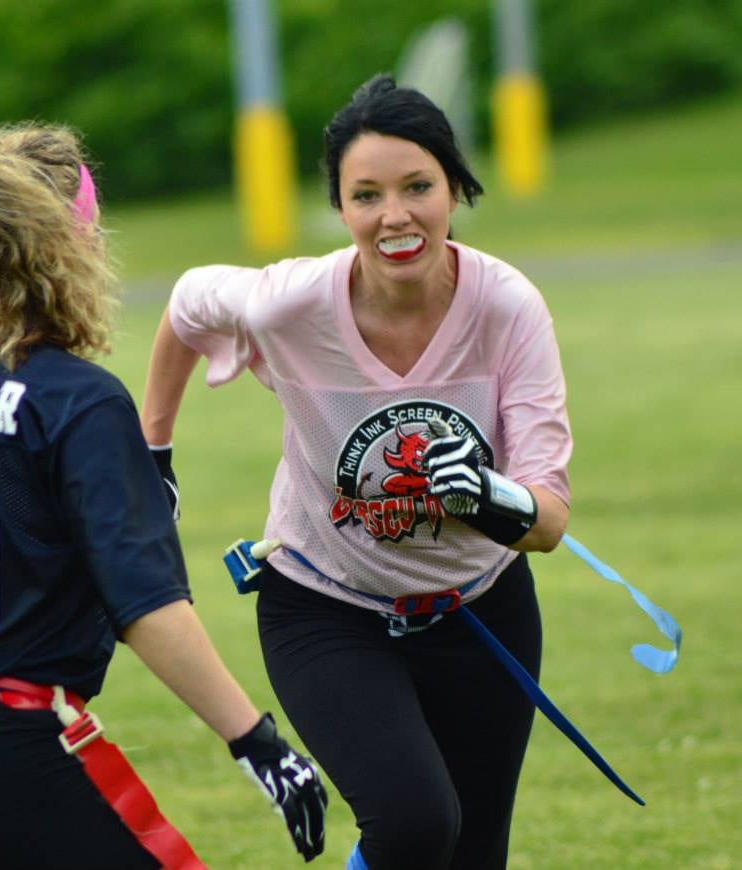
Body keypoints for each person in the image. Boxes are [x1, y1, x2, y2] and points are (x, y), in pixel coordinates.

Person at [0, 121, 327, 870]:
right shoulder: (81, 400)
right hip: (5, 746)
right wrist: (254, 740)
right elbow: (149, 609)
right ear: (73, 247)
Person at [141, 75, 572, 870]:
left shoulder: (509, 308)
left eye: (418, 187)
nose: (395, 215)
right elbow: (187, 304)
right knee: (412, 828)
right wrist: (154, 452)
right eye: (365, 194)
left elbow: (547, 521)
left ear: (454, 188)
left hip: (482, 607)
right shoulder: (290, 302)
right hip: (325, 607)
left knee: (472, 854)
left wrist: (489, 493)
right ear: (339, 209)